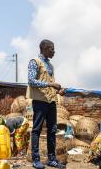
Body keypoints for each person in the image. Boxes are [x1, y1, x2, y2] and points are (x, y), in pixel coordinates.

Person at [26, 39, 65, 169]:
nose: (54, 51)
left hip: (51, 100)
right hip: (39, 101)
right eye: (52, 49)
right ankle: (36, 160)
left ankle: (52, 159)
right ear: (44, 49)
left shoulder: (50, 66)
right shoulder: (35, 62)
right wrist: (50, 84)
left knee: (52, 130)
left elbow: (50, 83)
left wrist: (59, 90)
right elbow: (31, 81)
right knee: (36, 130)